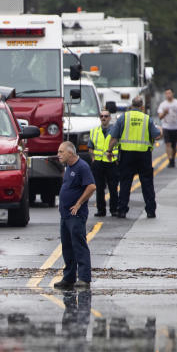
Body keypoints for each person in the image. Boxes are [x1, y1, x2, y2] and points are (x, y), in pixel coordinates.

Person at [53, 141, 96, 291]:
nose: (59, 155)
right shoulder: (68, 167)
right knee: (67, 247)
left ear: (70, 153)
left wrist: (78, 203)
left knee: (79, 245)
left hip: (75, 215)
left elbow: (91, 186)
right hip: (65, 214)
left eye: (61, 152)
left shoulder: (82, 167)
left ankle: (84, 278)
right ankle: (69, 278)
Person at [109, 96, 160, 218]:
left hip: (127, 155)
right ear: (142, 106)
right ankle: (150, 210)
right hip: (144, 155)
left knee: (125, 183)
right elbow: (157, 135)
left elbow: (114, 137)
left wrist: (109, 151)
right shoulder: (147, 119)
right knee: (147, 184)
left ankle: (122, 210)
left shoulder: (124, 118)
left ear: (131, 105)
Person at [88, 109, 119, 218]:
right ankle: (101, 210)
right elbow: (90, 147)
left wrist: (117, 159)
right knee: (99, 188)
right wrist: (93, 158)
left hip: (111, 163)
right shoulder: (94, 131)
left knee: (113, 187)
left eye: (106, 116)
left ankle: (114, 209)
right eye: (101, 116)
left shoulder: (115, 131)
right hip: (98, 163)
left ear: (110, 118)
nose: (103, 118)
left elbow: (119, 146)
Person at [157, 87, 177, 168]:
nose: (168, 95)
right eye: (166, 93)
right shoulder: (163, 104)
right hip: (166, 126)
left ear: (173, 93)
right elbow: (160, 116)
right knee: (168, 144)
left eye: (169, 93)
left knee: (174, 145)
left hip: (176, 127)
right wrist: (165, 113)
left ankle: (173, 158)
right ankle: (170, 160)